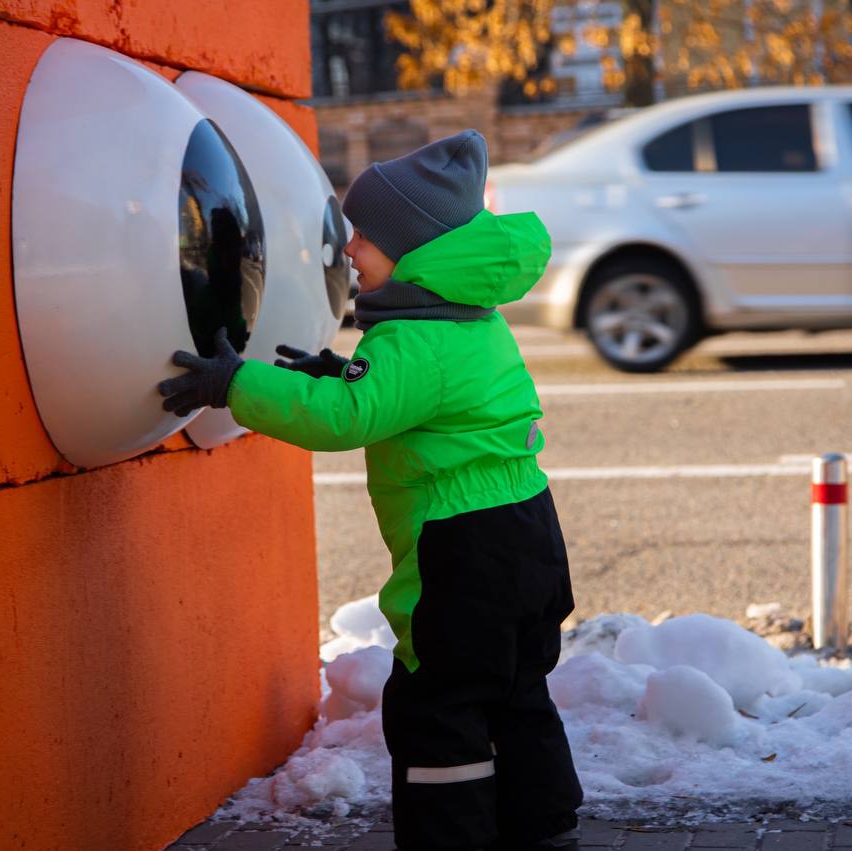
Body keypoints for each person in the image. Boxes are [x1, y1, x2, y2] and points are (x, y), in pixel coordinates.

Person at [158, 129, 582, 851]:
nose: (349, 249)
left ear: (412, 250)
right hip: (529, 536)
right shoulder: (470, 321)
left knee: (436, 707)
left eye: (365, 236)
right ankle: (544, 827)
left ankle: (451, 838)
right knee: (515, 691)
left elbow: (350, 417)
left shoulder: (413, 341)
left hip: (463, 553)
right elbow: (404, 397)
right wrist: (330, 367)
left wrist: (238, 383)